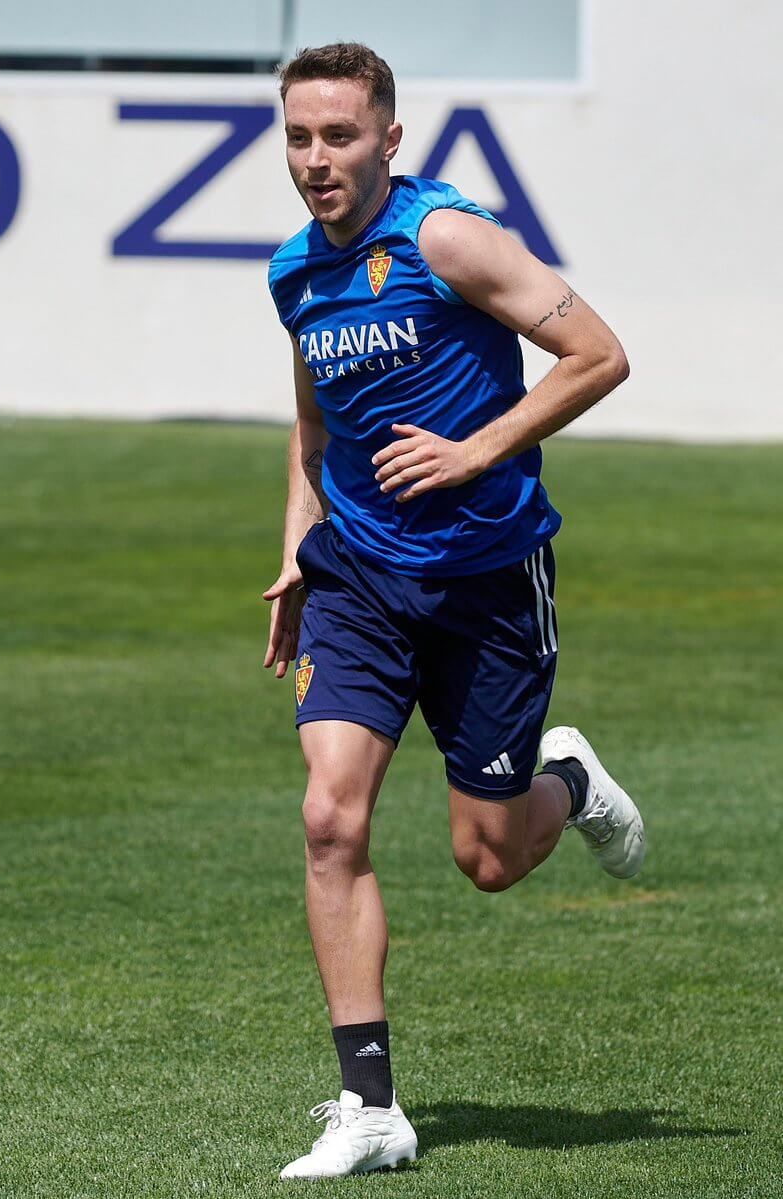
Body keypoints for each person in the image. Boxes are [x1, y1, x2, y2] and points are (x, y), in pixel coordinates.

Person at [263, 42, 645, 1181]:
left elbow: (597, 354)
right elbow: (314, 426)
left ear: (389, 139)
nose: (317, 159)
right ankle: (369, 1105)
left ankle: (564, 780)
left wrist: (475, 449)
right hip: (357, 579)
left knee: (487, 856)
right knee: (329, 819)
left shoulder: (446, 239)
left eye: (339, 135)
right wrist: (295, 553)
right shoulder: (293, 271)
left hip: (484, 581)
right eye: (298, 137)